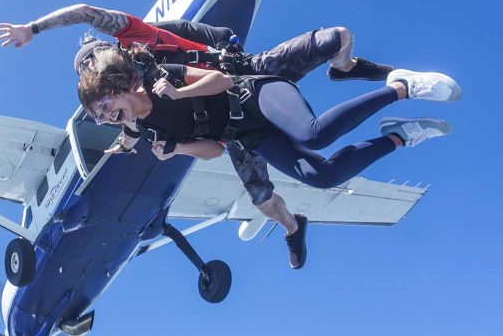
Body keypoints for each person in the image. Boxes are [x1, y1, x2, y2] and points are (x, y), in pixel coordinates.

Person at [0, 4, 398, 269]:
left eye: (90, 63)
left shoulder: (135, 39)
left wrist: (33, 28)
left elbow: (98, 14)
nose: (90, 71)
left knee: (337, 39)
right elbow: (142, 131)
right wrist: (135, 143)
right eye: (84, 72)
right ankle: (294, 227)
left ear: (104, 53)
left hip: (239, 74)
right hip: (230, 126)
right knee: (264, 199)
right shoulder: (129, 107)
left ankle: (347, 68)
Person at [76, 42, 460, 269]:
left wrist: (180, 94)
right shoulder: (148, 131)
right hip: (247, 133)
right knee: (321, 176)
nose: (107, 117)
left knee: (316, 133)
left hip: (254, 95)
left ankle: (403, 87)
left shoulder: (163, 75)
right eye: (100, 117)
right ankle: (398, 137)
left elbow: (222, 80)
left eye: (105, 106)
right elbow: (212, 150)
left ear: (116, 88)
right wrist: (177, 148)